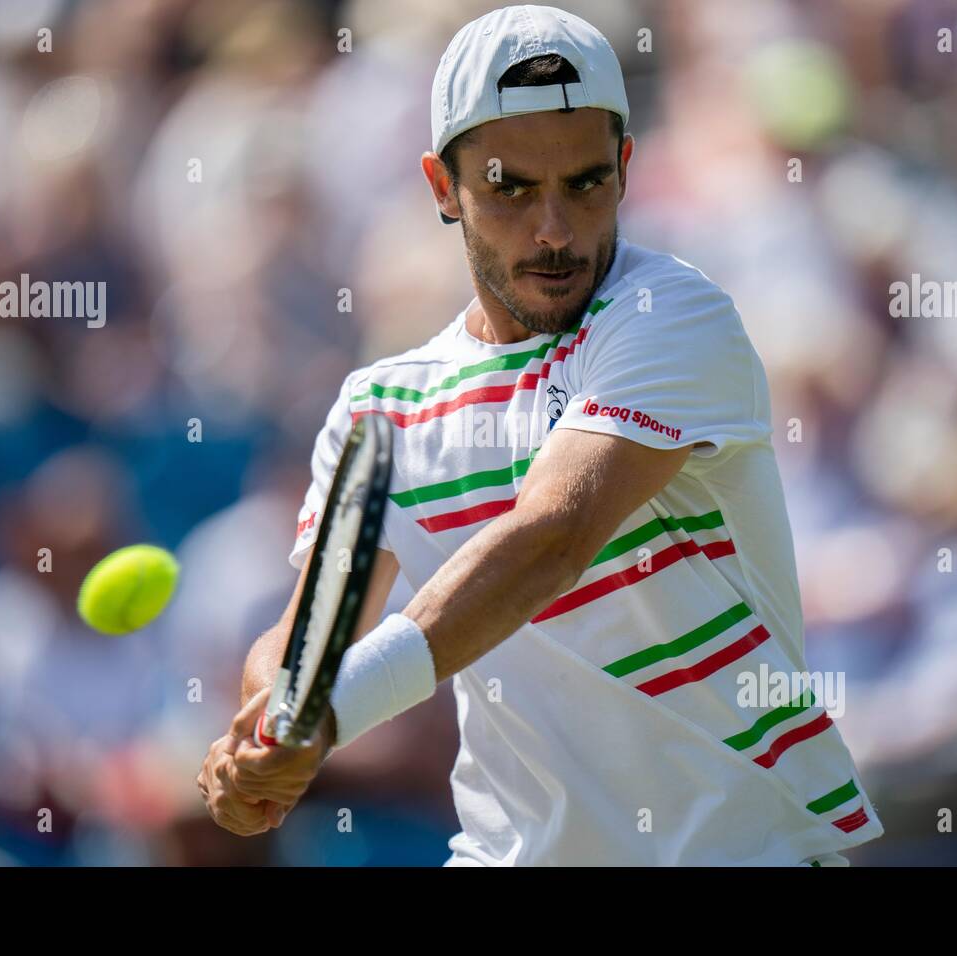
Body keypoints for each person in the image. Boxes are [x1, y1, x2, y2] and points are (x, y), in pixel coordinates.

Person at [198, 4, 883, 866]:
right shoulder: (378, 408)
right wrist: (274, 728)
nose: (555, 230)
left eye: (586, 183)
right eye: (510, 187)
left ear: (626, 168)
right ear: (443, 188)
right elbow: (312, 634)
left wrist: (323, 717)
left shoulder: (672, 314)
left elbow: (549, 541)